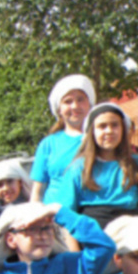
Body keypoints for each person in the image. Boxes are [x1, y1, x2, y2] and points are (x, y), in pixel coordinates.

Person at [56, 103, 138, 229]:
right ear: (92, 132)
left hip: (130, 230)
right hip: (92, 232)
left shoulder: (137, 164)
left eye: (114, 125)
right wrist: (75, 249)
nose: (109, 131)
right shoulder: (79, 168)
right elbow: (66, 214)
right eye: (102, 126)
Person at [30, 74, 96, 204]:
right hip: (54, 217)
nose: (75, 106)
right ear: (59, 109)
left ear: (90, 104)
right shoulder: (48, 144)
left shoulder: (100, 140)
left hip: (90, 216)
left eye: (80, 99)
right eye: (68, 101)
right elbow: (37, 192)